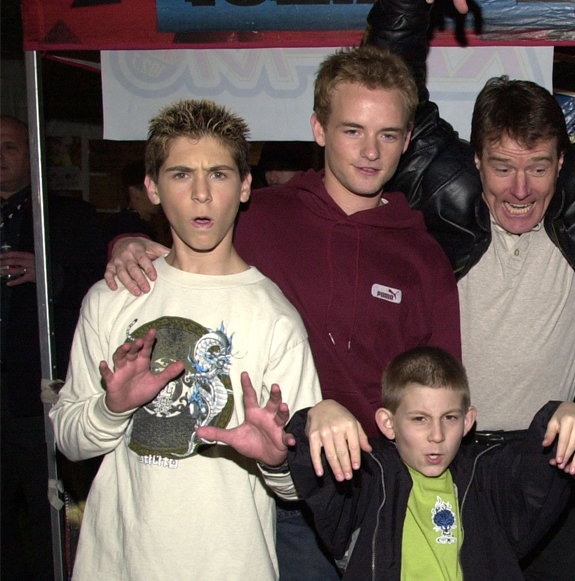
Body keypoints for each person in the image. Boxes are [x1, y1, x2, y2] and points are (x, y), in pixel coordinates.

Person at [103, 46, 462, 580]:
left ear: (407, 140)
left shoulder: (423, 255)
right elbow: (181, 249)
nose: (371, 151)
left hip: (385, 495)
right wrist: (127, 243)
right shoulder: (257, 217)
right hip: (284, 499)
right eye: (352, 131)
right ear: (318, 129)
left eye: (388, 135)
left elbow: (444, 390)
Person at [361, 0, 575, 577]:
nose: (521, 189)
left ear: (563, 161)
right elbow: (385, 89)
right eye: (503, 167)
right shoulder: (445, 194)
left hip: (554, 464)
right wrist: (405, 6)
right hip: (449, 464)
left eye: (539, 167)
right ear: (475, 161)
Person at [50, 99, 322, 581]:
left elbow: (303, 487)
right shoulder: (112, 297)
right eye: (180, 174)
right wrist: (111, 408)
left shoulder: (276, 317)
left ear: (244, 186)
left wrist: (279, 461)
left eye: (218, 174)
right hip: (118, 565)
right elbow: (69, 441)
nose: (200, 194)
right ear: (152, 188)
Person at [220, 345, 575, 581]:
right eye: (419, 419)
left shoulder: (485, 477)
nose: (437, 435)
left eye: (450, 418)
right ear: (387, 423)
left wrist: (562, 413)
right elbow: (320, 479)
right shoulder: (369, 478)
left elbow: (531, 471)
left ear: (469, 421)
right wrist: (316, 414)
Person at [1, 115, 105, 581]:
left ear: (33, 155)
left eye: (9, 147)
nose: (0, 158)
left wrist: (49, 275)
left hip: (37, 391)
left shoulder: (65, 217)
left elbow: (100, 289)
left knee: (51, 513)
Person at [104, 159, 171, 246]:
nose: (158, 193)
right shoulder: (127, 227)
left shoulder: (151, 224)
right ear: (134, 192)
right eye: (151, 188)